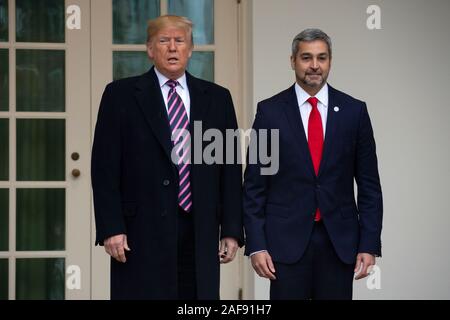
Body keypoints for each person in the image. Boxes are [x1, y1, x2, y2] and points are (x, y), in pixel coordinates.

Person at [91, 15, 244, 300]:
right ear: (150, 49)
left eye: (179, 41)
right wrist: (111, 227)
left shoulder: (217, 98)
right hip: (139, 231)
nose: (172, 48)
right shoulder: (120, 95)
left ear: (190, 48)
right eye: (164, 41)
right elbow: (104, 168)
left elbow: (231, 169)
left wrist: (232, 229)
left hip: (200, 228)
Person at [243, 28, 383, 300]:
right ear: (292, 61)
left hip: (339, 243)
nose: (315, 65)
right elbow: (255, 185)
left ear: (330, 61)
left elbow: (369, 186)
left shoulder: (355, 111)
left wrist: (368, 243)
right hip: (285, 242)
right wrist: (257, 245)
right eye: (306, 58)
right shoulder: (270, 112)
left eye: (322, 57)